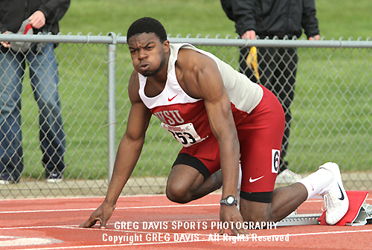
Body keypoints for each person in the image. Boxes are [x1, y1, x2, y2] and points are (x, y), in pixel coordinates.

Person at [80, 17, 348, 234]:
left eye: (148, 47)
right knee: (178, 189)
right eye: (134, 51)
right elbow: (132, 139)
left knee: (256, 218)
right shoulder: (138, 84)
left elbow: (229, 134)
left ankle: (325, 179)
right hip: (213, 129)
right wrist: (108, 203)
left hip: (256, 118)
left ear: (165, 46)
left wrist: (228, 200)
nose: (141, 56)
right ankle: (242, 172)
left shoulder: (196, 69)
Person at [221, 0, 321, 183]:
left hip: (288, 42)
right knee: (253, 106)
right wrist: (246, 24)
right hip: (258, 41)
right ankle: (246, 166)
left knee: (282, 107)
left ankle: (277, 166)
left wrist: (311, 27)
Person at [0, 0, 70, 184]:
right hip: (6, 41)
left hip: (42, 38)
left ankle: (54, 166)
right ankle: (8, 168)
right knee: (7, 105)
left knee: (49, 101)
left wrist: (44, 12)